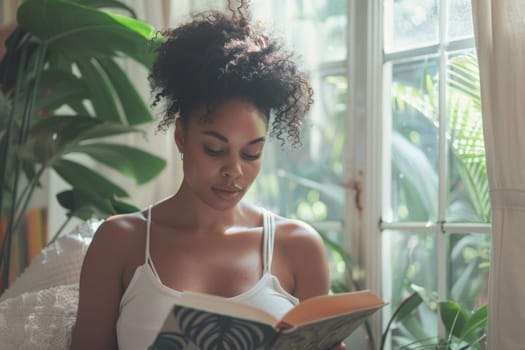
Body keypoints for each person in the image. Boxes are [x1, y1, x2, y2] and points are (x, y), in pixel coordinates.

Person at [70, 1, 346, 349]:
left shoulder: (298, 247)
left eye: (252, 153)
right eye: (215, 150)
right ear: (182, 136)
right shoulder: (120, 242)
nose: (235, 170)